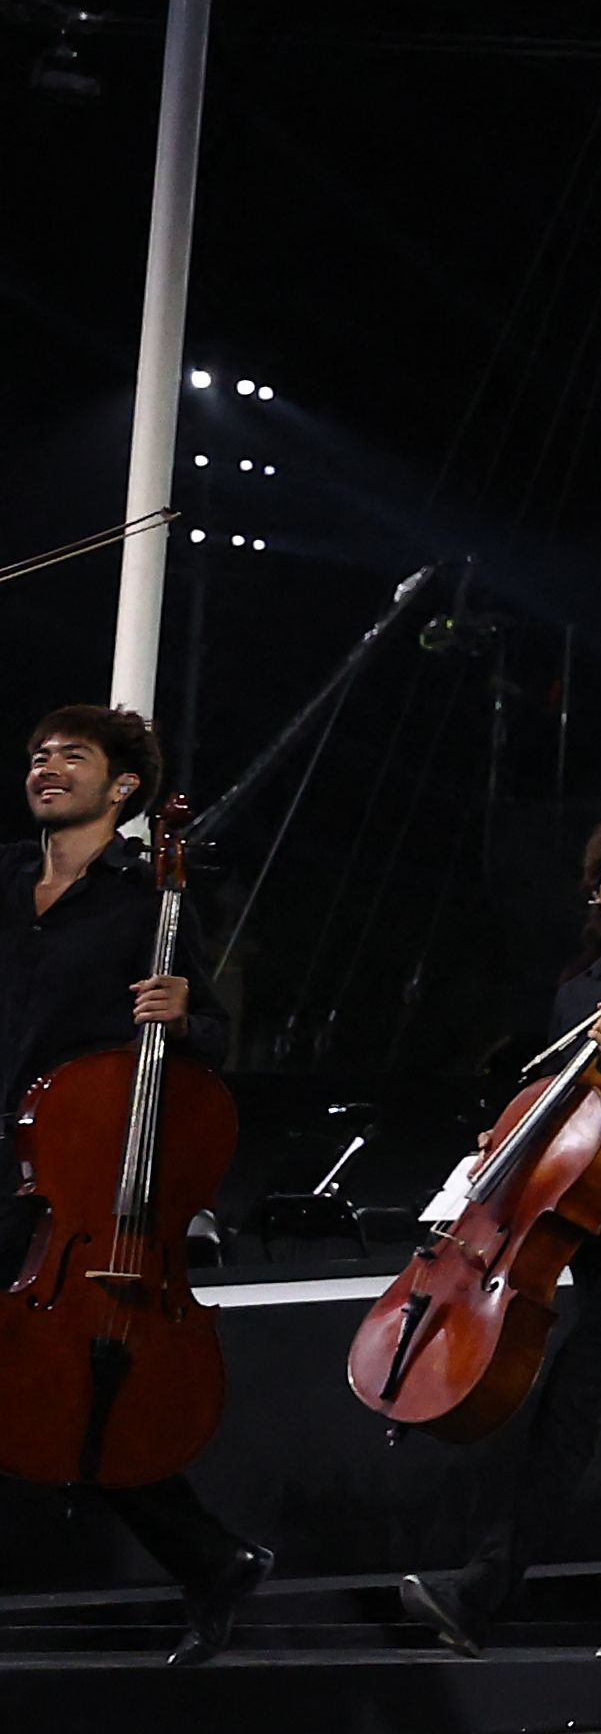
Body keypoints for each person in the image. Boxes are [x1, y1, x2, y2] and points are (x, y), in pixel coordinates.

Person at [394, 802, 601, 1661]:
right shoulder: (576, 994)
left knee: (574, 1396)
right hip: (593, 1222)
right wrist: (511, 1136)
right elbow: (572, 1116)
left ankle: (484, 1590)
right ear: (595, 891)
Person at [5, 704, 270, 1660]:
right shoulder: (4, 877)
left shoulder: (146, 897)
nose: (45, 767)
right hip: (8, 1149)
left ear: (123, 789)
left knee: (62, 1381)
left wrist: (185, 1014)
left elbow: (214, 1041)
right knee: (42, 1383)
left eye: (70, 756)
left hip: (72, 1172)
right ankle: (209, 1558)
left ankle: (208, 1556)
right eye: (37, 755)